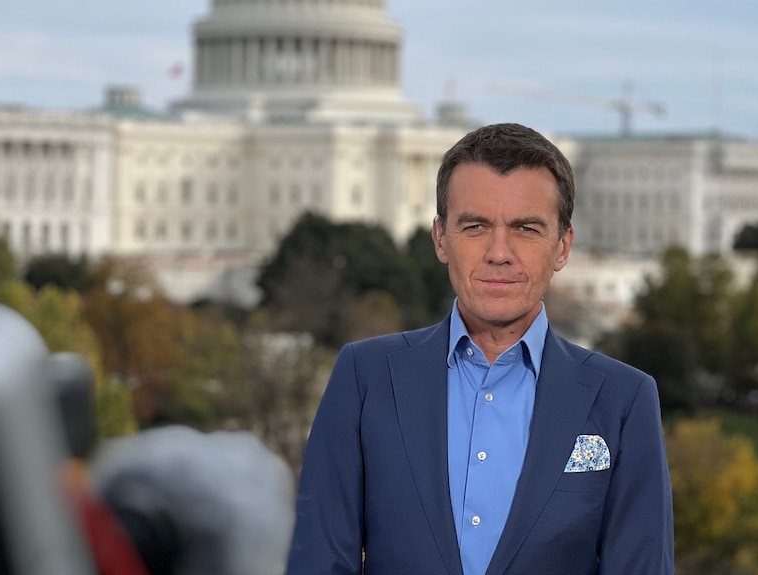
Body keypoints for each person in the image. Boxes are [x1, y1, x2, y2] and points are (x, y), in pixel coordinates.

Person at [285, 123, 674, 575]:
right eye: (475, 226)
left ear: (563, 246)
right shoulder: (364, 377)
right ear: (440, 238)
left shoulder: (624, 399)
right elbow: (320, 560)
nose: (499, 253)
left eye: (526, 229)